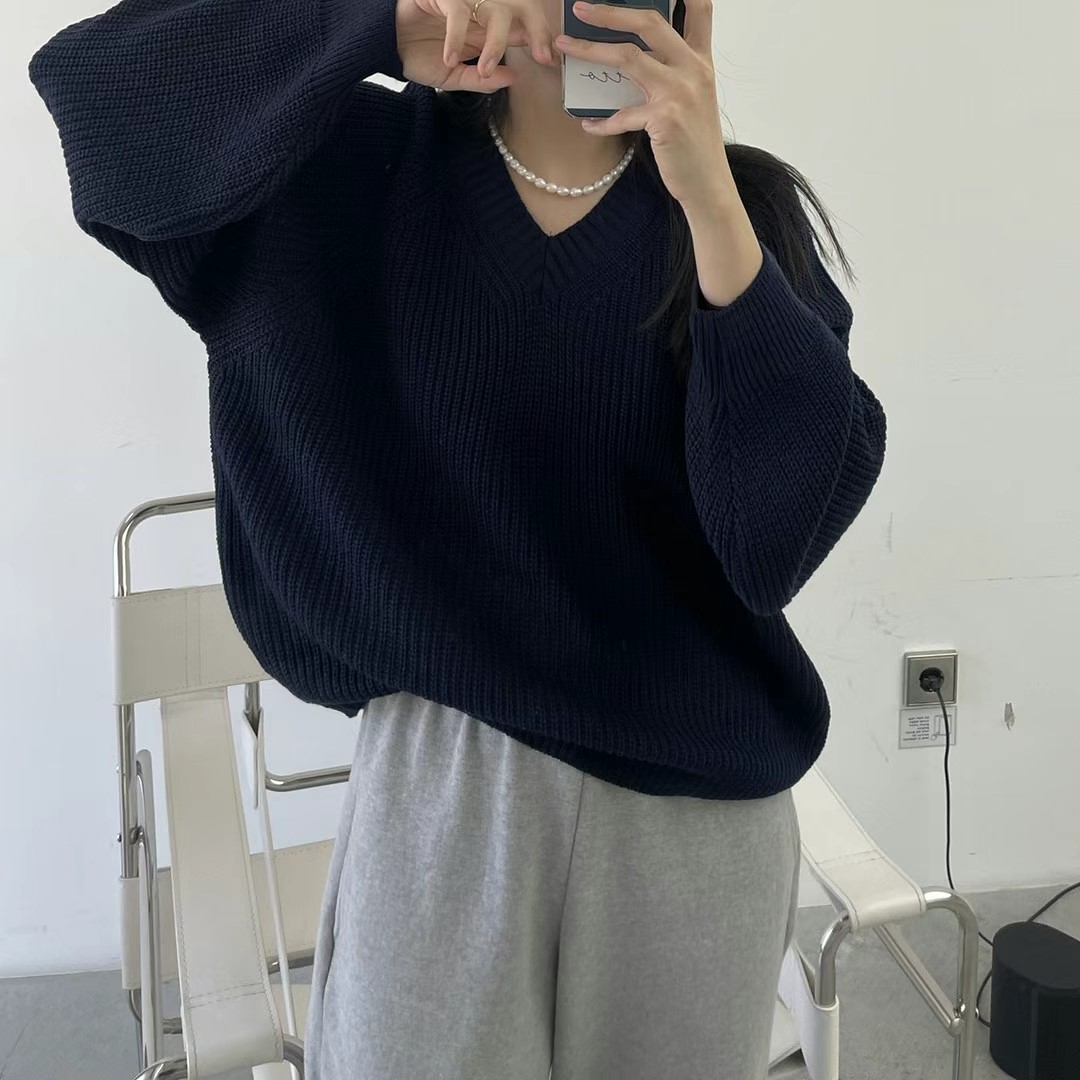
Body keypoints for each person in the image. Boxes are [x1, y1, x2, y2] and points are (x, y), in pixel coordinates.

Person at [28, 0, 887, 1075]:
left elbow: (776, 541)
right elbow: (98, 97)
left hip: (697, 814)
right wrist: (376, 26)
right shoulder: (347, 168)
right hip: (445, 778)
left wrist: (710, 200)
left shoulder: (739, 210)